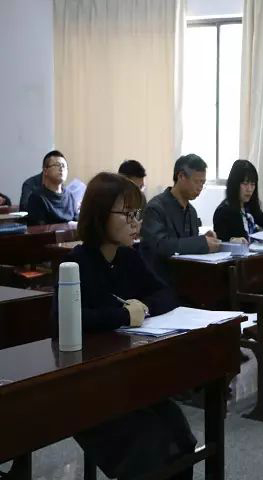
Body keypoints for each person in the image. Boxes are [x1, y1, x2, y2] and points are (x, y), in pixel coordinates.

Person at [54, 172, 195, 479]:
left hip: (126, 375)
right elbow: (67, 320)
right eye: (127, 214)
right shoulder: (76, 263)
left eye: (137, 214)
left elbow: (166, 294)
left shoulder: (128, 257)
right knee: (148, 439)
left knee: (179, 432)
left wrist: (141, 308)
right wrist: (122, 315)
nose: (136, 223)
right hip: (87, 384)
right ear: (100, 215)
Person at [140, 154, 220, 283]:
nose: (200, 187)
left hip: (186, 278)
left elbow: (185, 244)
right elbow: (159, 246)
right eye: (197, 181)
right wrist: (200, 243)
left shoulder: (191, 211)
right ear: (181, 176)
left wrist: (204, 239)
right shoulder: (155, 208)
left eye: (203, 183)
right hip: (160, 281)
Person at [213, 159, 263, 242]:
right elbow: (219, 242)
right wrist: (232, 240)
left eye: (253, 184)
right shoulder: (223, 211)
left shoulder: (250, 206)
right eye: (245, 183)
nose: (249, 189)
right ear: (234, 184)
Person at [27, 150, 78, 225]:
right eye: (57, 165)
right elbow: (39, 228)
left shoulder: (70, 196)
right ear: (45, 171)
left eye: (64, 166)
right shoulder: (37, 197)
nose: (61, 168)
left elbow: (77, 222)